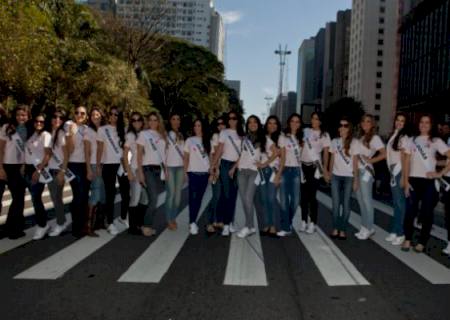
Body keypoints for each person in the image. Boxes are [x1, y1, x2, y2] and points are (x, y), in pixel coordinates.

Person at [402, 114, 450, 253]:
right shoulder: (411, 140)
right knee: (410, 212)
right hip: (413, 180)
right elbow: (406, 162)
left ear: (431, 125)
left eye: (427, 122)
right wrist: (405, 181)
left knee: (427, 213)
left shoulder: (436, 141)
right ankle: (408, 239)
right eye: (422, 122)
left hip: (429, 182)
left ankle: (422, 242)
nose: (424, 125)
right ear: (418, 124)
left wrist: (439, 173)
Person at [235, 115, 271, 238]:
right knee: (244, 200)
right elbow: (241, 155)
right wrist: (234, 167)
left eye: (255, 122)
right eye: (250, 122)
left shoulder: (264, 138)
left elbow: (277, 152)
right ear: (247, 125)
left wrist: (264, 163)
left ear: (258, 124)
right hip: (241, 171)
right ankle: (250, 227)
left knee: (248, 199)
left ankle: (248, 226)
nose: (252, 124)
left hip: (254, 172)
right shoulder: (244, 139)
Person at [57, 105, 90, 238]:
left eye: (82, 113)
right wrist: (71, 134)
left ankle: (83, 225)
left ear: (86, 116)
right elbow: (69, 149)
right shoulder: (68, 125)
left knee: (84, 196)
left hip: (85, 165)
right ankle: (76, 226)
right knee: (78, 195)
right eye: (77, 112)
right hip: (73, 165)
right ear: (73, 114)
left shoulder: (87, 129)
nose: (79, 115)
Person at [97, 107, 130, 235]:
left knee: (126, 194)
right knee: (110, 195)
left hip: (122, 164)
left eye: (116, 115)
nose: (113, 116)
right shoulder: (102, 129)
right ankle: (110, 222)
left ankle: (123, 217)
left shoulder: (124, 130)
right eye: (111, 114)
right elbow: (99, 149)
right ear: (108, 115)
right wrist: (99, 165)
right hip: (108, 165)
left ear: (119, 116)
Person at [354, 114, 386, 240]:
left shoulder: (375, 138)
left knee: (367, 202)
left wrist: (371, 161)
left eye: (368, 121)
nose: (365, 123)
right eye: (363, 121)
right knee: (360, 201)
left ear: (372, 124)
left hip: (366, 172)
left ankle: (369, 228)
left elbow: (384, 154)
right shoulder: (360, 137)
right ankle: (364, 226)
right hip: (358, 171)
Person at [212, 111, 244, 237]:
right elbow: (219, 150)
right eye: (229, 118)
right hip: (225, 165)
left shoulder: (242, 134)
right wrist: (213, 165)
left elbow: (243, 153)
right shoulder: (224, 133)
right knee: (226, 194)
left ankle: (229, 221)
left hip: (237, 166)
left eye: (234, 118)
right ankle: (226, 224)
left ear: (238, 120)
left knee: (233, 195)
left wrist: (235, 167)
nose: (231, 120)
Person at [0, 105, 30, 239]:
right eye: (18, 114)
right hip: (5, 166)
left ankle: (13, 228)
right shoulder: (7, 127)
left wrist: (24, 165)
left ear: (28, 116)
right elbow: (0, 149)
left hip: (19, 168)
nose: (20, 117)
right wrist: (0, 168)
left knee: (18, 199)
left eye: (23, 115)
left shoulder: (30, 130)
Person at [299, 112, 331, 234]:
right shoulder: (306, 131)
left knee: (312, 196)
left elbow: (326, 153)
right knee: (303, 197)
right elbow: (301, 146)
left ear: (321, 121)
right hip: (303, 166)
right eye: (312, 118)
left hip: (315, 167)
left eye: (316, 119)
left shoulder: (324, 135)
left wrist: (326, 170)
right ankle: (303, 221)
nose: (313, 121)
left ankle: (313, 222)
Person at [137, 112, 167, 237]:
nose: (153, 122)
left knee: (153, 199)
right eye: (151, 120)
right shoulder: (144, 134)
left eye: (156, 120)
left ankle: (144, 224)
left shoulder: (162, 136)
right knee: (153, 199)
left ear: (159, 121)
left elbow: (164, 155)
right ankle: (146, 226)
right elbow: (139, 154)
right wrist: (140, 173)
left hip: (159, 171)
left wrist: (166, 171)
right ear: (148, 121)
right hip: (148, 169)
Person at [329, 117, 359, 240]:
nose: (342, 127)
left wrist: (356, 180)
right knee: (335, 204)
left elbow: (355, 162)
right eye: (340, 125)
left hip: (349, 177)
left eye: (345, 125)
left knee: (346, 204)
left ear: (349, 128)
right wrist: (329, 174)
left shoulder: (354, 142)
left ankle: (343, 229)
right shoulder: (334, 141)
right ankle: (336, 227)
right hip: (336, 176)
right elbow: (332, 159)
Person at [24, 114, 52, 240]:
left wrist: (39, 170)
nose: (39, 123)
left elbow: (47, 155)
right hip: (28, 169)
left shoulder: (46, 135)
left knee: (36, 198)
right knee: (34, 198)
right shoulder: (32, 134)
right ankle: (43, 223)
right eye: (36, 121)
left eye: (41, 121)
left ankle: (42, 225)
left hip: (39, 170)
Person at [385, 112, 410, 246]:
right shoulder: (395, 134)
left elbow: (405, 158)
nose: (399, 122)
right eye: (398, 120)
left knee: (400, 204)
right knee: (396, 204)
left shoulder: (404, 138)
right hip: (393, 171)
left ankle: (401, 233)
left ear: (405, 124)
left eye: (402, 121)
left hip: (399, 171)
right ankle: (395, 231)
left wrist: (403, 178)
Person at [184, 118, 213, 235]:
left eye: (199, 125)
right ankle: (192, 222)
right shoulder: (189, 140)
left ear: (203, 127)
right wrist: (185, 172)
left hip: (205, 174)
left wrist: (211, 173)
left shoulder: (208, 141)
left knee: (199, 199)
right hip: (193, 174)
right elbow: (185, 157)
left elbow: (211, 158)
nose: (197, 128)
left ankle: (193, 220)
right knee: (193, 199)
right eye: (195, 125)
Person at [277, 113, 303, 237]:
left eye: (297, 121)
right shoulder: (283, 137)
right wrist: (278, 174)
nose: (294, 123)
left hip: (297, 170)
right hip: (285, 169)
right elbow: (282, 157)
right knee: (283, 200)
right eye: (292, 121)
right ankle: (285, 226)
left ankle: (287, 221)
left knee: (296, 201)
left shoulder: (302, 138)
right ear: (289, 122)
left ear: (300, 124)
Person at [47, 109, 71, 237]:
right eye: (55, 117)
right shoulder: (48, 132)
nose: (57, 120)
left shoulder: (61, 133)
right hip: (49, 170)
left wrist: (62, 172)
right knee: (54, 198)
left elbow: (66, 154)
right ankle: (62, 221)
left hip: (58, 170)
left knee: (57, 198)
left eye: (60, 118)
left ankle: (61, 223)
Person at [124, 111, 147, 235]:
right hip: (135, 169)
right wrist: (128, 172)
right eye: (134, 120)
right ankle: (132, 227)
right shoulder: (131, 135)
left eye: (139, 120)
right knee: (135, 198)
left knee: (145, 198)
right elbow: (124, 154)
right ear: (131, 123)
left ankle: (139, 223)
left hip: (145, 170)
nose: (137, 122)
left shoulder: (144, 134)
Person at [83, 107, 105, 237]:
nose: (95, 116)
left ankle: (99, 222)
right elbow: (86, 152)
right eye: (93, 115)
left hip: (103, 165)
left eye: (98, 114)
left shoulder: (104, 130)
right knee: (96, 194)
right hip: (93, 164)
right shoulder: (88, 131)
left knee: (103, 195)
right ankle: (88, 226)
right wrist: (88, 169)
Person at [260, 115, 282, 237]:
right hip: (262, 172)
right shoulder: (262, 138)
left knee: (271, 198)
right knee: (263, 199)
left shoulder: (281, 138)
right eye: (270, 123)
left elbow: (278, 154)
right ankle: (267, 224)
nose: (272, 125)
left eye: (274, 123)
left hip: (273, 171)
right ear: (266, 125)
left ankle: (272, 226)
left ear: (277, 125)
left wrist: (265, 164)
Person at [205, 116, 226, 234]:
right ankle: (209, 221)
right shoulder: (215, 136)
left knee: (222, 196)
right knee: (216, 196)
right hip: (217, 168)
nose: (220, 126)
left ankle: (218, 220)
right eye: (218, 124)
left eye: (222, 123)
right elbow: (213, 154)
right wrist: (214, 168)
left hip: (226, 169)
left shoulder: (228, 136)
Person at [165, 113, 185, 230]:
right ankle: (169, 220)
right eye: (173, 119)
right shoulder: (166, 135)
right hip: (170, 168)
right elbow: (164, 153)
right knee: (171, 194)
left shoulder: (182, 135)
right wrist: (165, 169)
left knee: (177, 197)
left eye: (178, 119)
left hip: (180, 168)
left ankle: (173, 217)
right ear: (170, 121)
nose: (176, 121)